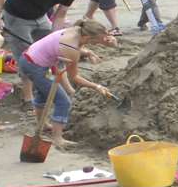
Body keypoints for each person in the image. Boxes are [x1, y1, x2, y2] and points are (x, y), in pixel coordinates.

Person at [20, 18, 114, 147]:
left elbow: (74, 46)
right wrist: (96, 86)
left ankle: (44, 125)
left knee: (43, 94)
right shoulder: (71, 49)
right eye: (95, 41)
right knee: (63, 101)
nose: (96, 44)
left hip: (29, 57)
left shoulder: (77, 29)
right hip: (34, 66)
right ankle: (57, 138)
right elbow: (74, 77)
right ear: (87, 37)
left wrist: (88, 52)